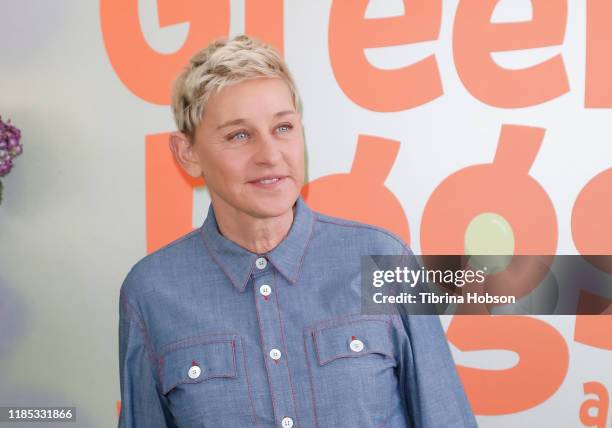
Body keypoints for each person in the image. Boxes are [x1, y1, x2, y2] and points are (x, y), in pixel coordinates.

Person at [118, 34, 476, 428]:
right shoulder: (151, 292)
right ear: (188, 154)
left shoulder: (382, 259)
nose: (271, 155)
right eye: (239, 135)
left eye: (283, 127)